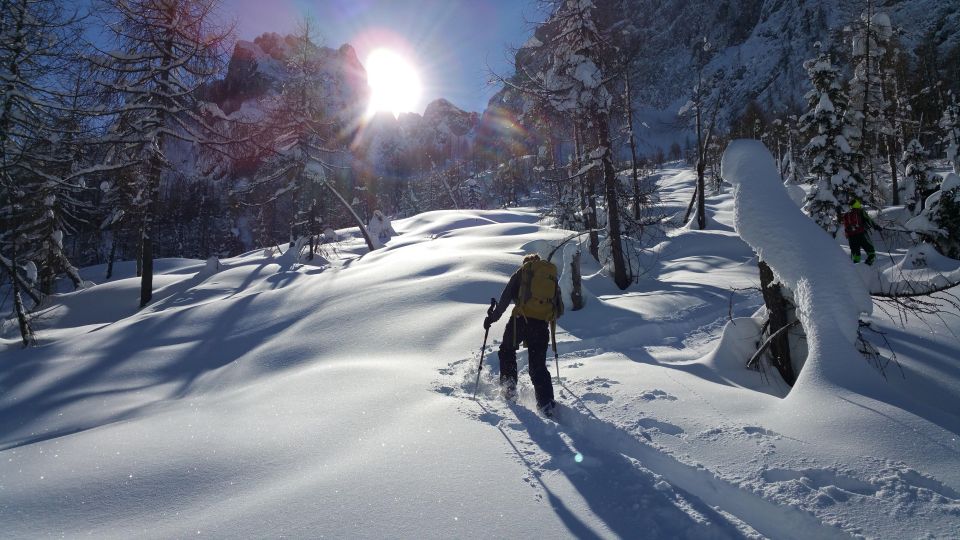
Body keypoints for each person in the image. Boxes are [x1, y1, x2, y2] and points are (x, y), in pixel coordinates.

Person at [484, 253, 564, 416]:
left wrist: (492, 318)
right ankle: (546, 404)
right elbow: (559, 309)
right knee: (538, 365)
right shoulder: (551, 278)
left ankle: (509, 390)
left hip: (519, 321)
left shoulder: (522, 272)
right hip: (541, 325)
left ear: (526, 264)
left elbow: (505, 299)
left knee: (507, 350)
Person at [842, 199, 876, 265]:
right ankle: (866, 267)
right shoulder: (860, 211)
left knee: (856, 257)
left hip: (851, 237)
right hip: (861, 235)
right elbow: (869, 220)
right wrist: (876, 227)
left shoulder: (846, 215)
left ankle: (857, 272)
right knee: (871, 253)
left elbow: (846, 227)